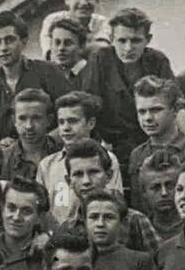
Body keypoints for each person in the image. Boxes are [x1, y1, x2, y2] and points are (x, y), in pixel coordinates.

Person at [77, 8, 185, 179]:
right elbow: (88, 107)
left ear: (148, 40)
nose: (128, 48)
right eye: (122, 41)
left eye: (136, 40)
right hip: (111, 145)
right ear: (111, 39)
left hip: (151, 142)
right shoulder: (100, 59)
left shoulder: (157, 60)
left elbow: (178, 107)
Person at [0, 11, 73, 143]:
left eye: (9, 40)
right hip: (9, 156)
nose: (3, 48)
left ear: (23, 41)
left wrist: (46, 141)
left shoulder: (48, 71)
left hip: (50, 151)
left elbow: (73, 113)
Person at [126, 76, 185, 216]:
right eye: (142, 111)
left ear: (174, 111)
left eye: (156, 110)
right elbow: (138, 207)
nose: (148, 118)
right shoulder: (137, 155)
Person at [54, 140, 161, 253]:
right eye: (78, 174)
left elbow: (160, 263)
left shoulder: (134, 221)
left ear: (109, 175)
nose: (86, 181)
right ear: (69, 181)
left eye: (93, 172)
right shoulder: (67, 228)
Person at [39, 90, 124, 226]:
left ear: (90, 123)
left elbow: (114, 201)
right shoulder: (47, 165)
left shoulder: (107, 159)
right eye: (61, 122)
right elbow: (41, 210)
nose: (66, 128)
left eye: (73, 121)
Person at [84, 190, 156, 270]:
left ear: (121, 222)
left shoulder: (140, 261)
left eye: (109, 217)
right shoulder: (76, 259)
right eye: (94, 217)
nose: (100, 224)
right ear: (85, 221)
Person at [40, 0, 111, 56]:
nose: (84, 2)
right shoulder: (53, 20)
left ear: (97, 0)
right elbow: (51, 55)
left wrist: (68, 50)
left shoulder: (102, 22)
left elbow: (102, 49)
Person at [0, 176, 49, 270]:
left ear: (39, 217)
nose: (16, 217)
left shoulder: (47, 255)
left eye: (26, 211)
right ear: (2, 209)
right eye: (11, 208)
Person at [0, 88, 63, 181]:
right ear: (14, 121)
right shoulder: (3, 161)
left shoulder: (62, 154)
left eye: (36, 118)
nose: (29, 126)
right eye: (22, 118)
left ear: (49, 120)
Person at [138, 149, 185, 242]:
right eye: (156, 188)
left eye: (170, 186)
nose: (164, 193)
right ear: (144, 192)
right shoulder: (139, 231)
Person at [47, 16, 91, 88]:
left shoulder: (92, 74)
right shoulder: (48, 77)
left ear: (81, 46)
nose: (61, 48)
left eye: (68, 43)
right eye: (57, 43)